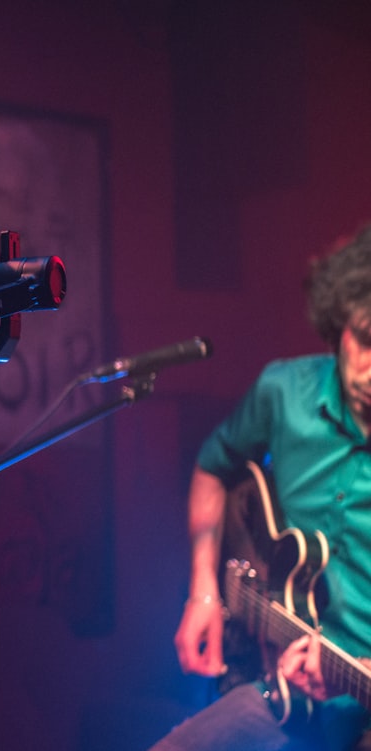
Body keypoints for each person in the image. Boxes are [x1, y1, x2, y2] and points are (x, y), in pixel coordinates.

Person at [150, 225, 371, 750]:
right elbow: (213, 468)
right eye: (365, 337)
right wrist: (203, 593)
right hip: (283, 682)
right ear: (339, 322)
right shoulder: (283, 392)